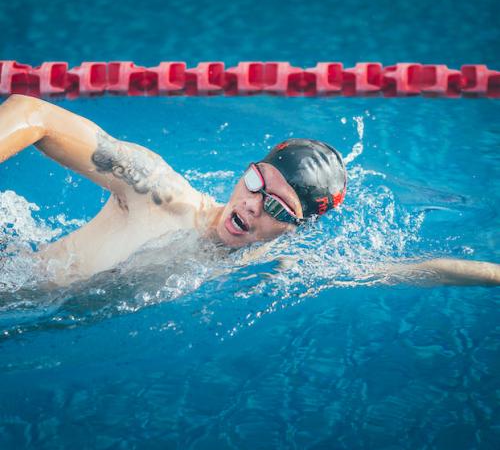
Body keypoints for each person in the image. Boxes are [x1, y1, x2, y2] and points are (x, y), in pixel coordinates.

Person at [0, 94, 499, 287]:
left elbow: (413, 271)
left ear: (295, 227)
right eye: (257, 181)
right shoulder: (160, 193)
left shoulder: (271, 266)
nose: (252, 204)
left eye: (277, 205)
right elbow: (35, 114)